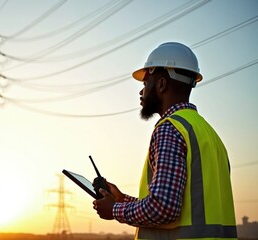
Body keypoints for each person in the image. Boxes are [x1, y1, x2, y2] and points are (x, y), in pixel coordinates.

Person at [93, 42, 237, 239]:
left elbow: (163, 208)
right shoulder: (209, 134)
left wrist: (115, 209)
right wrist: (122, 199)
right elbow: (186, 206)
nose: (141, 92)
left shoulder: (170, 129)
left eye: (146, 83)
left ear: (161, 84)